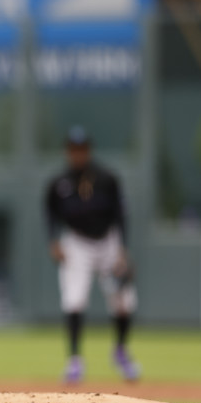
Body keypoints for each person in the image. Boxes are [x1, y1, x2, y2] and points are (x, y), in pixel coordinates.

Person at [45, 126, 139, 384]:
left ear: (88, 150)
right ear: (68, 151)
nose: (78, 154)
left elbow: (121, 215)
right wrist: (53, 240)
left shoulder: (107, 178)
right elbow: (50, 213)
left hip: (108, 241)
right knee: (74, 300)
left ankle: (120, 351)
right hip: (76, 243)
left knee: (124, 302)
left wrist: (122, 249)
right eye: (73, 149)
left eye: (82, 149)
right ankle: (74, 360)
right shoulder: (59, 183)